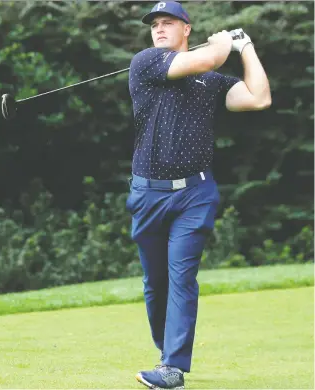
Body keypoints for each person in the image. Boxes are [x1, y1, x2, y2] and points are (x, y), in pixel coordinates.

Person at [127, 2, 271, 389]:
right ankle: (165, 352)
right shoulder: (147, 62)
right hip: (148, 194)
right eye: (154, 24)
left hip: (196, 193)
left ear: (186, 28)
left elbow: (258, 98)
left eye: (168, 23)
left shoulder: (211, 80)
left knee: (181, 276)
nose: (159, 29)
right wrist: (223, 44)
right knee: (155, 282)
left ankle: (173, 367)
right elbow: (205, 61)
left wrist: (245, 47)